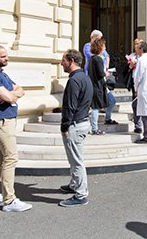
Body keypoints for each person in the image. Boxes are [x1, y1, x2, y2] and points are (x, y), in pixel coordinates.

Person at [0, 45, 32, 212]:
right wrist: (10, 95)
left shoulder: (2, 74)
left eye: (6, 56)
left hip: (7, 119)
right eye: (2, 57)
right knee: (11, 158)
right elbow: (10, 95)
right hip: (1, 121)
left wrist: (10, 94)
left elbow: (20, 90)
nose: (6, 59)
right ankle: (9, 201)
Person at [58, 49, 93, 207]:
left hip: (75, 125)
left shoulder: (73, 81)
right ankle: (74, 185)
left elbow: (69, 107)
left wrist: (65, 126)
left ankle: (81, 194)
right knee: (74, 159)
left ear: (71, 61)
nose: (61, 63)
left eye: (63, 60)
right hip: (82, 122)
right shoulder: (85, 78)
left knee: (76, 161)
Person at [83, 30, 117, 125]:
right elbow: (92, 56)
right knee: (95, 105)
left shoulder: (98, 56)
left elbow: (107, 56)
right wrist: (105, 72)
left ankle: (106, 119)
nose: (99, 41)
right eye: (98, 39)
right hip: (94, 81)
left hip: (101, 82)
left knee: (110, 101)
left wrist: (106, 67)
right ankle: (92, 126)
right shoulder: (89, 50)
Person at [89, 38, 108, 135]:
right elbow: (101, 73)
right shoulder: (98, 59)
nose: (105, 48)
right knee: (95, 108)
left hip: (93, 85)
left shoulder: (92, 59)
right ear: (100, 47)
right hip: (97, 86)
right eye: (104, 46)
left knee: (94, 108)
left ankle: (92, 127)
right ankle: (94, 128)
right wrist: (106, 73)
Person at [126, 38, 144, 134]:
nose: (136, 46)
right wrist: (130, 65)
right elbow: (127, 70)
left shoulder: (145, 57)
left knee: (142, 103)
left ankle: (144, 121)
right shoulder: (132, 56)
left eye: (139, 44)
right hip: (134, 82)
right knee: (135, 104)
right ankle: (138, 125)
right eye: (135, 44)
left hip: (143, 83)